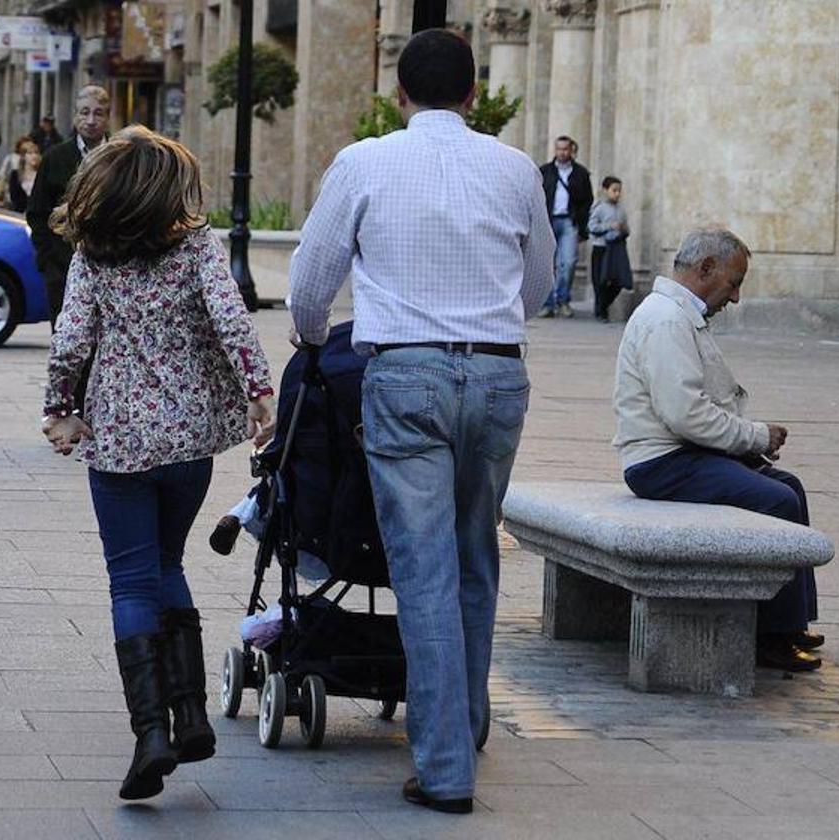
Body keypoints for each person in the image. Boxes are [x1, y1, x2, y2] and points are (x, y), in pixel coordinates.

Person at [288, 29, 553, 815]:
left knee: (425, 571)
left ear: (398, 95)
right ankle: (464, 724)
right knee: (476, 553)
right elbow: (538, 282)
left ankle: (443, 770)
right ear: (474, 95)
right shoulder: (514, 169)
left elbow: (311, 279)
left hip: (406, 373)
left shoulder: (364, 162)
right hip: (499, 371)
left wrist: (310, 341)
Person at [40, 125, 276, 802]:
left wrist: (61, 409)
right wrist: (260, 393)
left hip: (118, 443)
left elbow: (72, 339)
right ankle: (192, 713)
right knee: (168, 566)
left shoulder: (92, 256)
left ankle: (151, 734)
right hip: (187, 444)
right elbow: (232, 319)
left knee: (132, 582)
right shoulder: (196, 246)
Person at [612, 227, 822, 672]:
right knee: (776, 501)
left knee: (790, 486)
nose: (737, 297)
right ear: (706, 269)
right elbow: (685, 415)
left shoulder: (679, 315)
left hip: (684, 453)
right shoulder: (666, 320)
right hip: (661, 462)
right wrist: (755, 437)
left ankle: (793, 621)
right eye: (735, 282)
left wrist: (747, 446)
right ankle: (769, 636)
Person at [27, 86, 111, 328]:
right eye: (84, 113)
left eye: (98, 113)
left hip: (111, 265)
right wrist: (48, 259)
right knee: (66, 336)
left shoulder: (121, 156)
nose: (91, 120)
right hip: (63, 267)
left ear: (107, 118)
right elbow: (37, 212)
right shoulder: (55, 157)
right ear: (75, 116)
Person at [538, 135, 592, 318]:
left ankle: (563, 300)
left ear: (572, 150)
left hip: (570, 222)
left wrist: (583, 229)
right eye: (559, 149)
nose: (562, 152)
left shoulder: (581, 174)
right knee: (546, 264)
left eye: (565, 149)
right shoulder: (545, 172)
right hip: (548, 221)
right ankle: (547, 303)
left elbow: (587, 203)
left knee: (567, 263)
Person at [587, 175, 631, 322]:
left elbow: (627, 230)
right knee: (600, 280)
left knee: (617, 281)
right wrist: (608, 227)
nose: (617, 193)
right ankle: (600, 310)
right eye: (614, 190)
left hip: (616, 249)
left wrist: (623, 229)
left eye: (619, 191)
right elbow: (592, 227)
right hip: (601, 248)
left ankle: (604, 305)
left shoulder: (622, 210)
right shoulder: (599, 208)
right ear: (606, 190)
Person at [5, 142, 41, 213]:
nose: (34, 156)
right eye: (30, 153)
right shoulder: (15, 174)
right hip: (18, 213)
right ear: (24, 156)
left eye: (36, 153)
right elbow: (14, 197)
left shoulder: (42, 174)